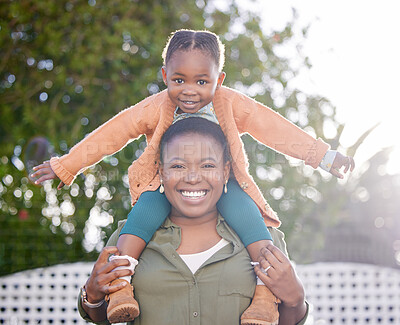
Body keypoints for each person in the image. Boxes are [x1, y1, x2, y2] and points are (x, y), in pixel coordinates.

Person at [31, 29, 355, 323]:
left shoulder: (229, 103)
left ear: (219, 78)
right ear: (164, 76)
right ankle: (120, 288)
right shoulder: (155, 107)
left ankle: (265, 297)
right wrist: (68, 164)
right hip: (161, 185)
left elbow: (272, 128)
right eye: (178, 80)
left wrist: (322, 156)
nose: (189, 91)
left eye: (202, 82)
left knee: (254, 226)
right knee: (138, 221)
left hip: (226, 187)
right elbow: (114, 132)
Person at [78, 118, 309, 325]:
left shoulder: (264, 240)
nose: (192, 178)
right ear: (161, 170)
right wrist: (93, 295)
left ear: (226, 170)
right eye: (178, 166)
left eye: (208, 165)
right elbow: (104, 316)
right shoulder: (129, 237)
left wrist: (295, 300)